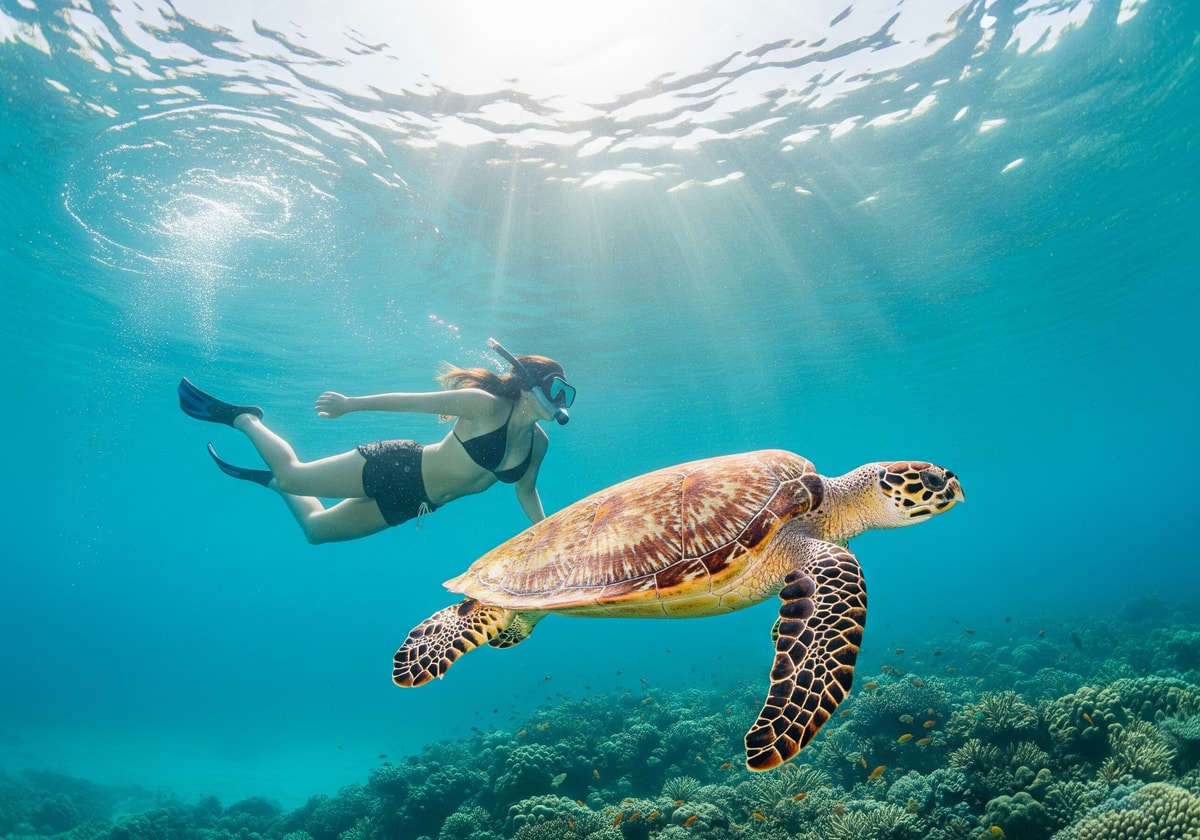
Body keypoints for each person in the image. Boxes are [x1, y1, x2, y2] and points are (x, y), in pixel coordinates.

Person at [178, 339, 575, 544]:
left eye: (567, 395)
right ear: (528, 385)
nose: (561, 401)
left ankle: (272, 483)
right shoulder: (484, 406)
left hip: (418, 503)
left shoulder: (538, 443)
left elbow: (526, 490)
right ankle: (246, 419)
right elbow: (410, 403)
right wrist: (350, 405)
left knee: (317, 532)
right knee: (294, 476)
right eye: (557, 389)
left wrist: (544, 531)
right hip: (396, 465)